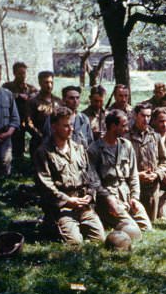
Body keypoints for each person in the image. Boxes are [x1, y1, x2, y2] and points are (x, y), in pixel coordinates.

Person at [34, 107, 105, 245]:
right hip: (62, 207)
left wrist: (90, 195)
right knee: (75, 243)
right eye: (66, 126)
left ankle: (77, 226)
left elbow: (91, 176)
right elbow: (46, 185)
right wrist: (68, 201)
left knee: (99, 239)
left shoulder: (79, 149)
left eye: (71, 125)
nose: (71, 129)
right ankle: (51, 225)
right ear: (54, 127)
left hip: (83, 205)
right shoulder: (44, 152)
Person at [87, 110, 152, 239]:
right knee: (133, 231)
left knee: (147, 228)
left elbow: (133, 174)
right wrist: (108, 199)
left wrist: (134, 197)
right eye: (123, 125)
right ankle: (107, 219)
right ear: (112, 126)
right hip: (108, 198)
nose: (127, 129)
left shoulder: (126, 145)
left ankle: (114, 221)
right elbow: (94, 181)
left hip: (126, 195)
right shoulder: (94, 150)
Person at [126, 102, 166, 222]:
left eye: (148, 116)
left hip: (152, 187)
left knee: (151, 222)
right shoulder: (126, 137)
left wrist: (157, 174)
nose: (146, 119)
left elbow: (165, 161)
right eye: (143, 116)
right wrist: (137, 176)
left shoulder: (155, 137)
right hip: (133, 188)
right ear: (135, 116)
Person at [2, 61, 38, 164]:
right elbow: (3, 95)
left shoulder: (30, 88)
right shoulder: (8, 86)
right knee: (16, 142)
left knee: (37, 137)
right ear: (14, 73)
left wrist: (32, 96)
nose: (22, 76)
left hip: (28, 119)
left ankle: (34, 160)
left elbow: (38, 95)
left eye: (24, 73)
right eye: (19, 73)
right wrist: (18, 95)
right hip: (14, 119)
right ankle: (16, 162)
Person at [27, 70, 62, 156]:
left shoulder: (59, 101)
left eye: (51, 82)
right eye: (46, 82)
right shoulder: (33, 101)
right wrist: (40, 135)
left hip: (56, 142)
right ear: (40, 83)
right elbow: (28, 123)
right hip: (38, 143)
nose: (49, 85)